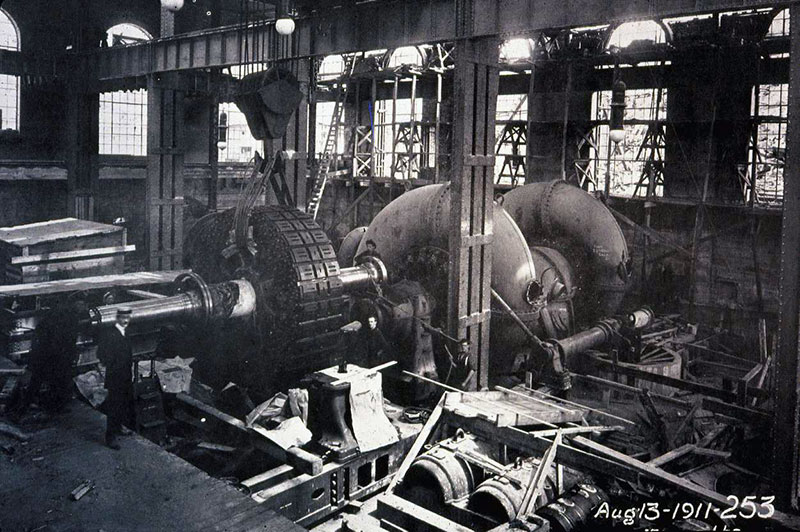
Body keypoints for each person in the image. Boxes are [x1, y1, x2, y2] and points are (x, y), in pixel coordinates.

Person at [12, 299, 86, 417]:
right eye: (82, 304)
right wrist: (69, 355)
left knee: (37, 381)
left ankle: (22, 410)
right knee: (51, 381)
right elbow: (68, 339)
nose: (84, 308)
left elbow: (41, 331)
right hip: (53, 356)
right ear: (77, 303)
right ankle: (50, 408)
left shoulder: (56, 313)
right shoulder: (70, 318)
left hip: (44, 354)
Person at [97, 308, 134, 450]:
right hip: (115, 376)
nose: (126, 320)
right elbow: (101, 353)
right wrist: (112, 365)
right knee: (114, 406)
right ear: (117, 318)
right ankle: (110, 437)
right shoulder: (110, 334)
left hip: (125, 375)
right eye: (123, 317)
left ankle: (119, 427)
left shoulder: (126, 332)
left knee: (123, 403)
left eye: (128, 318)